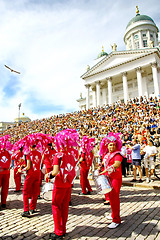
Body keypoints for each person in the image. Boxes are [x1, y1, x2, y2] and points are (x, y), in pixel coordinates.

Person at [47, 129, 80, 240]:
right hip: (68, 182)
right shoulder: (73, 153)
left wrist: (48, 175)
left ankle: (58, 232)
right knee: (65, 206)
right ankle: (63, 229)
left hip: (60, 182)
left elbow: (55, 171)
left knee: (56, 205)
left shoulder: (58, 155)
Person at [99, 132, 123, 229]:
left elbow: (116, 165)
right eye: (110, 144)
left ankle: (116, 220)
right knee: (110, 197)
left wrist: (105, 170)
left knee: (114, 197)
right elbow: (103, 164)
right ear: (107, 146)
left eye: (113, 144)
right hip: (108, 178)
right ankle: (113, 215)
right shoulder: (106, 155)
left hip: (115, 178)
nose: (111, 146)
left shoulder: (118, 154)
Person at [20, 144, 42, 217]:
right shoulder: (39, 153)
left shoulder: (28, 154)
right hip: (37, 173)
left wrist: (21, 169)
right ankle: (33, 207)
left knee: (25, 191)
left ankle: (26, 210)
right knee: (35, 192)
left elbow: (28, 166)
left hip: (31, 174)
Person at [0, 135, 12, 209]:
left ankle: (3, 202)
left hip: (4, 172)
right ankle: (3, 202)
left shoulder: (7, 152)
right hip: (6, 172)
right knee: (5, 188)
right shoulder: (8, 152)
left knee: (5, 188)